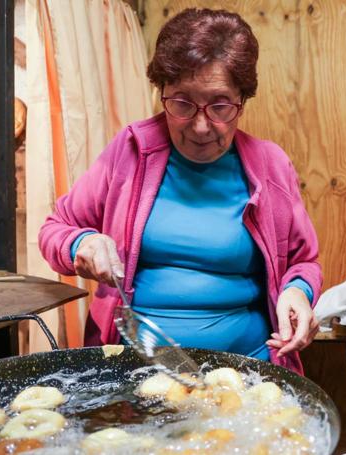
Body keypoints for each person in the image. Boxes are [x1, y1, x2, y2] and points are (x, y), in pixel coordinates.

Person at [39, 8, 322, 374]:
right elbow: (54, 229)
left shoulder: (270, 166)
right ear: (162, 92)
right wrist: (82, 244)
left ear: (243, 101)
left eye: (220, 106)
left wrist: (298, 291)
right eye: (183, 103)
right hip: (135, 369)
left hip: (247, 368)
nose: (202, 126)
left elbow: (303, 261)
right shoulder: (130, 151)